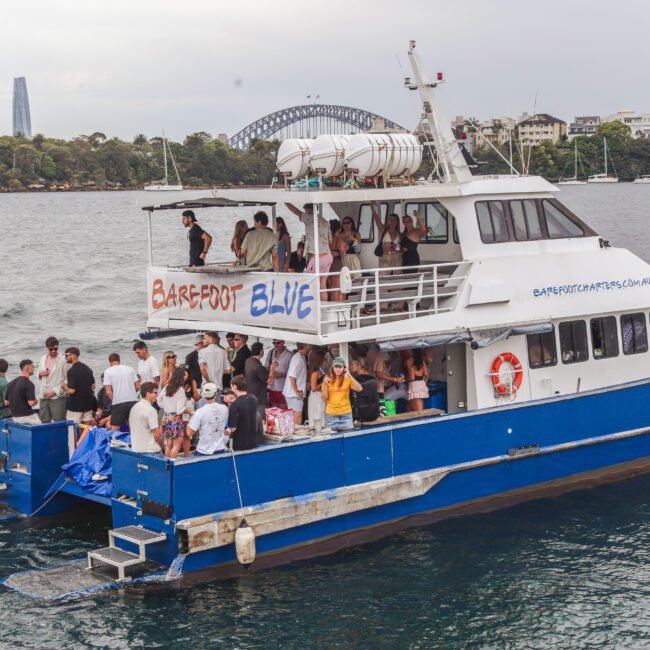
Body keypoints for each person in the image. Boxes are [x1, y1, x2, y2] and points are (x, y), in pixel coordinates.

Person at [286, 203, 332, 301]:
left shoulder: (310, 218)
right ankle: (323, 306)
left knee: (310, 281)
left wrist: (285, 201)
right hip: (328, 256)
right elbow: (330, 241)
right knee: (322, 284)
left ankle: (312, 305)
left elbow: (297, 212)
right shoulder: (325, 222)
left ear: (311, 210)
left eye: (306, 210)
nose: (306, 212)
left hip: (318, 257)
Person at [370, 202, 402, 313]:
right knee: (382, 282)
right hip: (385, 260)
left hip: (397, 260)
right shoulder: (384, 230)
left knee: (397, 283)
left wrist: (395, 247)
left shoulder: (399, 234)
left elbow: (401, 248)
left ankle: (397, 304)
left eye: (394, 220)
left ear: (397, 222)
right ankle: (382, 304)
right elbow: (376, 219)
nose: (392, 222)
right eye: (390, 220)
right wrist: (372, 208)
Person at [321, 357, 363, 430]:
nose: (337, 369)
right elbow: (324, 399)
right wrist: (325, 385)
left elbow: (359, 388)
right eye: (336, 367)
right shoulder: (328, 380)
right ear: (332, 368)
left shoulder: (347, 379)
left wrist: (349, 375)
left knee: (347, 438)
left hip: (346, 414)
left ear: (344, 368)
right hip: (331, 415)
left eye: (340, 367)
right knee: (333, 439)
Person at [187, 383, 229, 456]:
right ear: (215, 394)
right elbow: (224, 426)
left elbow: (188, 433)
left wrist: (190, 419)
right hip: (220, 449)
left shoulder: (199, 412)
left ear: (203, 394)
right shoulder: (224, 408)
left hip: (203, 451)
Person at [103, 353, 139, 431]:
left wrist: (114, 399)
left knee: (115, 426)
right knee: (133, 425)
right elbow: (138, 386)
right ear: (119, 360)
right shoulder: (130, 369)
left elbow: (108, 391)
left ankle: (114, 441)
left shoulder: (108, 371)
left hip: (118, 402)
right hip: (132, 401)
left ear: (110, 362)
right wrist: (131, 393)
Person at [60, 347, 96, 426]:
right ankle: (86, 439)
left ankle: (76, 439)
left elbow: (72, 391)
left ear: (74, 356)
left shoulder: (71, 371)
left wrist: (64, 386)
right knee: (87, 429)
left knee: (72, 430)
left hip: (75, 406)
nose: (65, 358)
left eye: (67, 355)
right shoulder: (88, 369)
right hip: (88, 404)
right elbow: (93, 386)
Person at [37, 335, 68, 423]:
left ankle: (60, 437)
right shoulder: (43, 358)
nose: (53, 351)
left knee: (59, 422)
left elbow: (68, 380)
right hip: (43, 395)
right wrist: (40, 374)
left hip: (57, 396)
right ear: (47, 348)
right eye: (51, 349)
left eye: (55, 348)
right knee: (44, 422)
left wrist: (54, 391)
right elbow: (38, 374)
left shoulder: (63, 359)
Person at [157, 367, 187, 458]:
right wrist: (187, 409)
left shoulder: (167, 387)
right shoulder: (180, 390)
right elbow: (179, 410)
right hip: (175, 419)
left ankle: (166, 465)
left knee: (169, 445)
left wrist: (165, 407)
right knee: (176, 446)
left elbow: (159, 400)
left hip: (166, 417)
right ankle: (172, 467)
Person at [129, 382, 163, 454]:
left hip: (136, 449)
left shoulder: (134, 408)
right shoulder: (151, 410)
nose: (157, 395)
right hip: (150, 450)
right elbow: (156, 435)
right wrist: (163, 447)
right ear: (148, 394)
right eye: (155, 393)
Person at [228, 375, 260, 451]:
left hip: (239, 444)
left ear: (235, 386)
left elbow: (232, 429)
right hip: (253, 441)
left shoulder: (235, 404)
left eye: (231, 387)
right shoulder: (253, 398)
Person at [282, 343, 311, 424]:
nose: (310, 347)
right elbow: (292, 376)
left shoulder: (300, 357)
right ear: (306, 346)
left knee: (295, 417)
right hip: (294, 394)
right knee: (297, 417)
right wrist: (296, 391)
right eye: (309, 345)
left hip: (294, 393)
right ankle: (294, 435)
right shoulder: (298, 359)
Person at [4, 360, 39, 425]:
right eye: (32, 366)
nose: (34, 368)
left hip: (15, 417)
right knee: (42, 424)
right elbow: (31, 403)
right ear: (27, 367)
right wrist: (36, 401)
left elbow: (6, 402)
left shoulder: (10, 383)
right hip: (27, 416)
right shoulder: (29, 384)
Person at [350, 357, 380, 422]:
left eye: (353, 364)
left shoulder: (364, 378)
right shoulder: (365, 376)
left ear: (359, 366)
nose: (351, 366)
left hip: (367, 409)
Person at [244, 342, 269, 421]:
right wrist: (272, 368)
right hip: (259, 398)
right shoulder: (258, 366)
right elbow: (269, 381)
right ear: (261, 351)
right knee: (261, 421)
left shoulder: (248, 361)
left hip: (250, 395)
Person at [198, 331, 227, 396]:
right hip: (219, 386)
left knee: (205, 405)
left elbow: (202, 369)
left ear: (210, 339)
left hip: (207, 386)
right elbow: (228, 370)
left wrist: (208, 381)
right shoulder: (223, 352)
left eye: (205, 338)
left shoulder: (202, 352)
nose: (203, 340)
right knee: (217, 405)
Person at [266, 339, 292, 408]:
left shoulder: (290, 355)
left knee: (283, 408)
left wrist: (281, 374)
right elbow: (266, 367)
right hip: (272, 387)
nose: (276, 345)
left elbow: (292, 373)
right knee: (273, 409)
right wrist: (270, 370)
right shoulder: (270, 353)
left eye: (278, 343)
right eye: (274, 343)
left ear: (283, 342)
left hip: (283, 387)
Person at [328, 219, 347, 302]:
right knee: (337, 286)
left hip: (327, 264)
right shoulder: (338, 239)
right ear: (339, 229)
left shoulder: (326, 239)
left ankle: (328, 303)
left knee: (329, 285)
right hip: (336, 263)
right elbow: (343, 253)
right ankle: (335, 303)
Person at [307, 348, 326, 425]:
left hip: (320, 396)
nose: (325, 361)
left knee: (321, 416)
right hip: (316, 397)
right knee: (317, 417)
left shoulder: (320, 370)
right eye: (324, 359)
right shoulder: (315, 372)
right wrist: (324, 382)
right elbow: (313, 388)